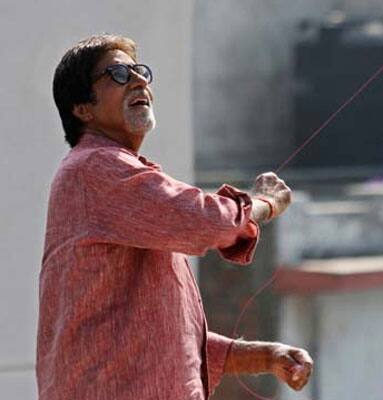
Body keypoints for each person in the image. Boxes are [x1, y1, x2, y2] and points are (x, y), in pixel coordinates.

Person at [37, 34, 313, 400]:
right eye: (119, 74)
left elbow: (169, 340)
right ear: (82, 109)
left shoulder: (112, 176)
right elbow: (211, 223)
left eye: (140, 72)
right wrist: (264, 203)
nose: (139, 81)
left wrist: (266, 355)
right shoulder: (95, 167)